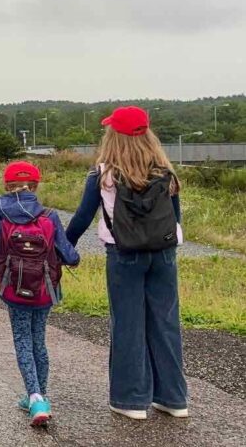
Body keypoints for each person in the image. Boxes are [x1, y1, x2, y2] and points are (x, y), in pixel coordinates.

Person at [66, 106, 188, 420]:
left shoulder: (103, 174)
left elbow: (82, 217)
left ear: (113, 135)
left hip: (123, 254)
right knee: (165, 322)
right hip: (163, 254)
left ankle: (130, 400)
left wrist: (63, 248)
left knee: (128, 325)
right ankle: (173, 398)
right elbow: (175, 218)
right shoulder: (165, 171)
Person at [0, 161, 79, 427]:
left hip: (15, 290)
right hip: (46, 291)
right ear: (35, 185)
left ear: (5, 185)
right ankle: (39, 395)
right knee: (39, 340)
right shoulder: (50, 215)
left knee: (23, 339)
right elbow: (70, 255)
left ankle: (34, 397)